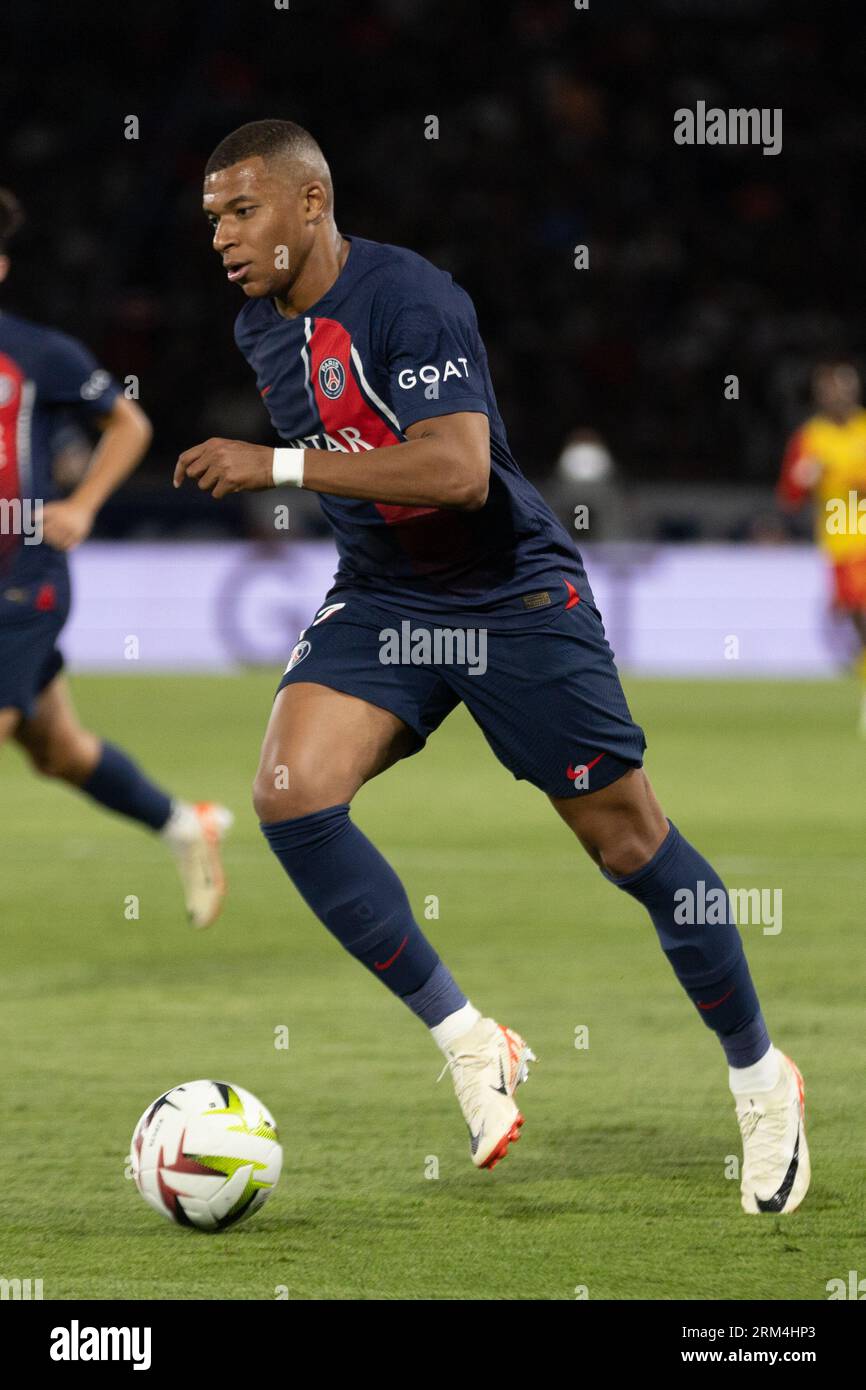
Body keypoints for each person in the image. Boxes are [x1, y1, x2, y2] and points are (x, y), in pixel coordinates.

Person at [175, 121, 808, 1212]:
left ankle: (760, 1079)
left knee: (627, 844)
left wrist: (277, 462)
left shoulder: (408, 297)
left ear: (310, 205)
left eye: (243, 212)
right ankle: (471, 1042)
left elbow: (460, 471)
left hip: (510, 596)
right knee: (289, 793)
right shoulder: (259, 329)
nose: (224, 238)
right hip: (385, 598)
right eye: (212, 220)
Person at [0, 188, 231, 928]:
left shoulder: (36, 353)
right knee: (59, 752)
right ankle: (182, 824)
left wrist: (82, 505)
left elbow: (128, 423)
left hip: (21, 579)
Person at [777, 360, 866, 729]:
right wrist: (804, 479)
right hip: (842, 540)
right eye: (833, 390)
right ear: (821, 396)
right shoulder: (810, 438)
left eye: (846, 388)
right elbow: (789, 496)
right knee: (855, 611)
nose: (840, 396)